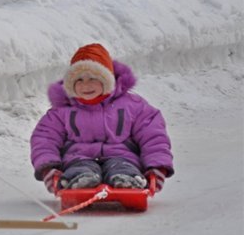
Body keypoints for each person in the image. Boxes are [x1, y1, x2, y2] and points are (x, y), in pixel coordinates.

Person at [30, 43, 174, 193]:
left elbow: (153, 137)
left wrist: (157, 167)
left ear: (107, 80)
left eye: (93, 78)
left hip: (122, 157)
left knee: (122, 167)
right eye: (78, 80)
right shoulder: (62, 111)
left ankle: (128, 181)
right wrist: (48, 168)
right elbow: (45, 139)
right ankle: (79, 181)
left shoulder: (133, 106)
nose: (85, 85)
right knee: (80, 169)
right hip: (78, 159)